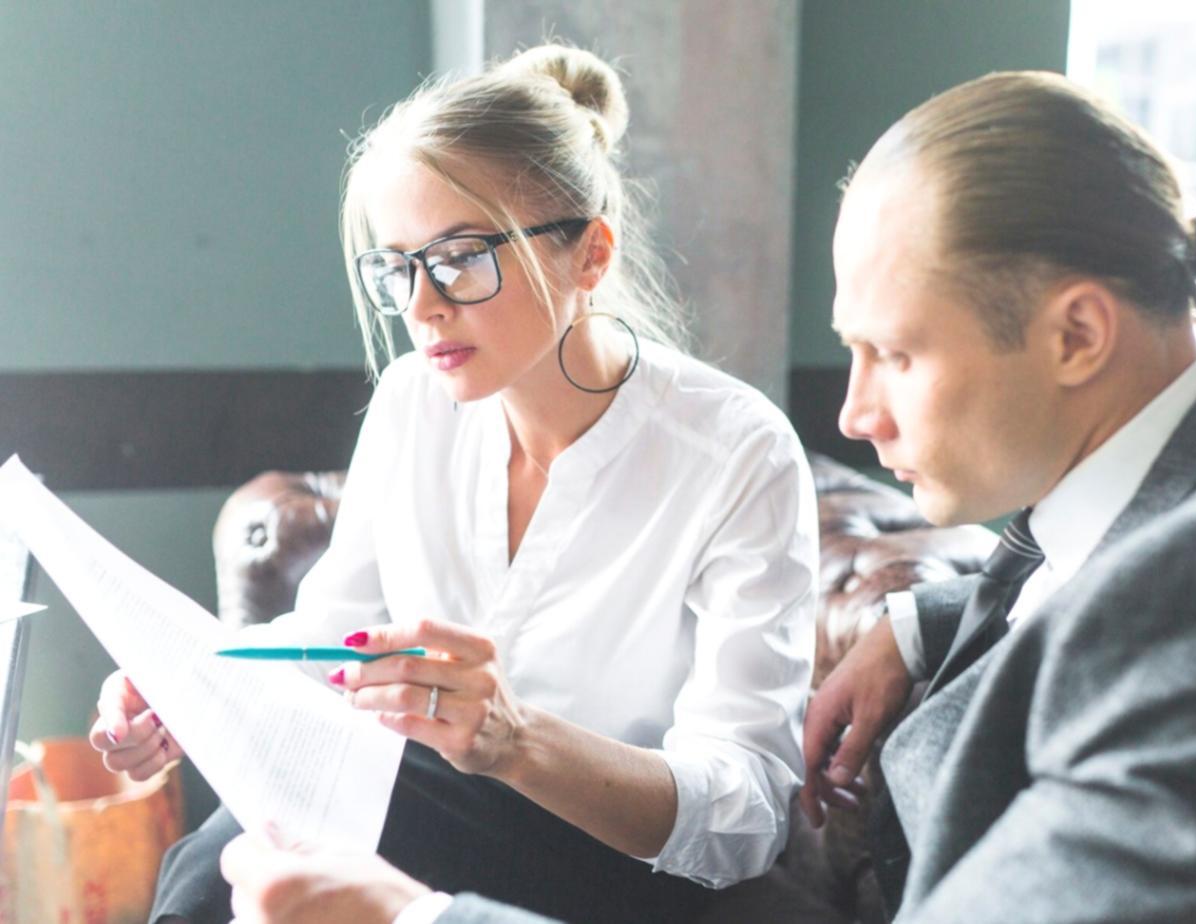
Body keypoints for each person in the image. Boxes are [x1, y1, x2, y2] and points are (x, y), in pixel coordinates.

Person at [217, 69, 1196, 924]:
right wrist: (916, 622)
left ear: (1076, 334)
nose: (854, 413)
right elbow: (1062, 582)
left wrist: (420, 921)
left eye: (894, 353)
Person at [88, 44, 817, 924]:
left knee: (302, 834)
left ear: (588, 255)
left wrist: (515, 742)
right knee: (245, 851)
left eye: (461, 257)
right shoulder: (412, 403)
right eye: (396, 267)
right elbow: (329, 644)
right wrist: (194, 692)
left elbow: (744, 818)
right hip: (428, 822)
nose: (423, 306)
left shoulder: (735, 451)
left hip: (623, 876)